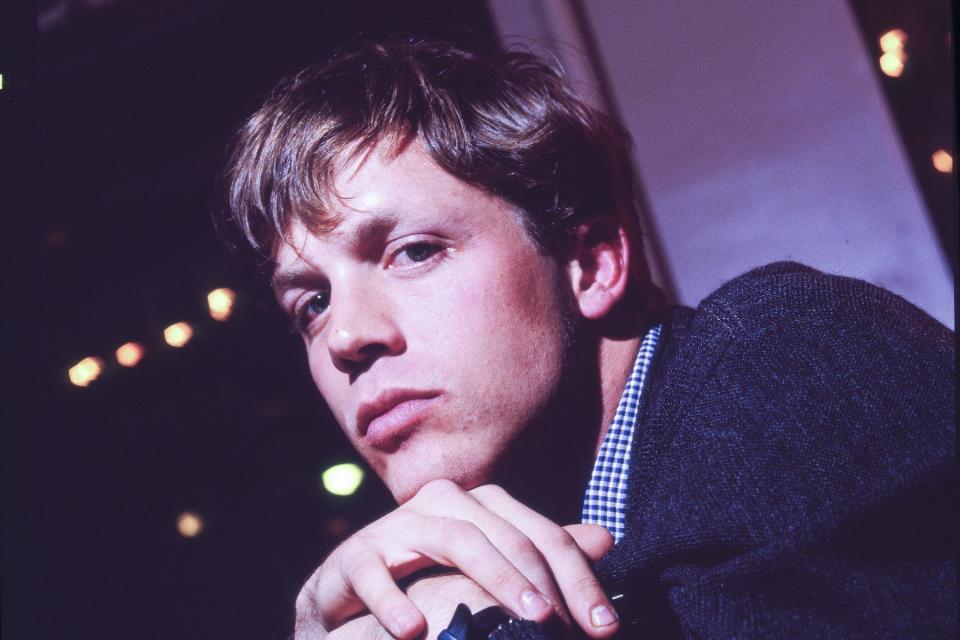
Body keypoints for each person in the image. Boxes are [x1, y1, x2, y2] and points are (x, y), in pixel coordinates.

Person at [220, 37, 956, 639]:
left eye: (414, 251)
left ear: (592, 263)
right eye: (311, 303)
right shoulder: (447, 566)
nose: (346, 335)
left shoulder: (783, 355)